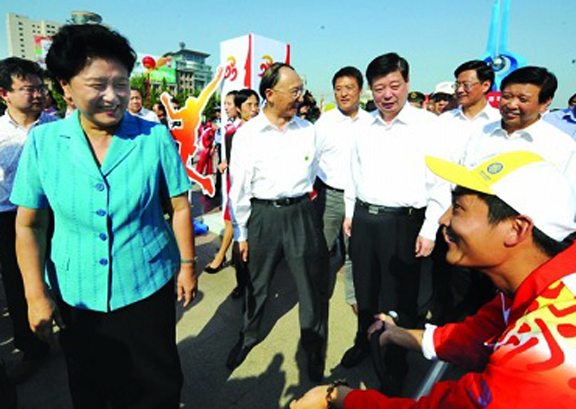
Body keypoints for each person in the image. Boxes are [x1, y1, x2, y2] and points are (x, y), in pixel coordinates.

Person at [290, 150, 576, 409]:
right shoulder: (533, 286)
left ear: (516, 229)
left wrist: (336, 397)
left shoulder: (546, 352)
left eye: (459, 208)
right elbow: (477, 335)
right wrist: (402, 335)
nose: (443, 219)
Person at [10, 24, 196, 408]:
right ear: (65, 87)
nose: (113, 97)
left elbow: (180, 207)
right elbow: (30, 225)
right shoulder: (44, 143)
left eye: (121, 84)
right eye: (98, 85)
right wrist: (35, 294)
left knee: (158, 383)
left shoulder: (154, 137)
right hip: (76, 293)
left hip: (146, 284)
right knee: (91, 386)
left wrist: (187, 265)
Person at [340, 53, 449, 392]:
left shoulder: (429, 126)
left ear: (407, 83)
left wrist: (429, 229)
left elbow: (441, 183)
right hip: (364, 219)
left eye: (394, 85)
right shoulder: (363, 126)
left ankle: (396, 359)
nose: (387, 95)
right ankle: (364, 340)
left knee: (400, 297)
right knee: (365, 289)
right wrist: (349, 212)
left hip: (404, 224)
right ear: (370, 90)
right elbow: (353, 173)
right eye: (379, 88)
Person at [227, 63, 329, 382]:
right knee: (257, 283)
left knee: (311, 286)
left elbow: (316, 170)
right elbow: (239, 187)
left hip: (301, 212)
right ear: (270, 94)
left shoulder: (308, 130)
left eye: (301, 89)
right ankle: (248, 336)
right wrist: (241, 233)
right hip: (263, 216)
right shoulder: (247, 135)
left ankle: (314, 349)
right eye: (294, 90)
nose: (300, 96)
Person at [0, 57, 58, 383]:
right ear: (4, 94)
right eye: (28, 89)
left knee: (61, 273)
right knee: (17, 282)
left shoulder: (56, 127)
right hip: (9, 217)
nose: (37, 94)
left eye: (40, 88)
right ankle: (32, 347)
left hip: (54, 213)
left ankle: (72, 331)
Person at [431, 60, 501, 324]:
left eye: (466, 84)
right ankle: (441, 330)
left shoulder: (497, 123)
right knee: (442, 276)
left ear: (485, 85)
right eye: (457, 84)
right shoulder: (445, 121)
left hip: (479, 212)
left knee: (474, 281)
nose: (459, 89)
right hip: (441, 206)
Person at [314, 66, 372, 314]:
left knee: (355, 250)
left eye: (349, 88)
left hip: (360, 198)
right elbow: (311, 159)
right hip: (330, 196)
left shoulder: (372, 122)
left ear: (361, 90)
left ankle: (354, 295)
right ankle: (318, 292)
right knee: (322, 248)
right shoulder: (324, 122)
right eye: (338, 89)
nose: (343, 94)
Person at [461, 66, 576, 190]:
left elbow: (567, 195)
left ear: (544, 103)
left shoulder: (561, 146)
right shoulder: (481, 133)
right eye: (506, 96)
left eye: (523, 99)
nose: (511, 105)